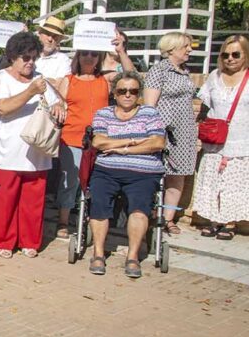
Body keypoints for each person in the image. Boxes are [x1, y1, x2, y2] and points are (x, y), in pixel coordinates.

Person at [0, 32, 66, 258]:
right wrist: (29, 91)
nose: (30, 62)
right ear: (13, 57)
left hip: (37, 153)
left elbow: (57, 101)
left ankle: (30, 241)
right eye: (25, 58)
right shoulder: (0, 78)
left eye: (33, 57)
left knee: (33, 203)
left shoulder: (40, 78)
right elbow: (1, 108)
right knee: (5, 202)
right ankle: (4, 241)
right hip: (7, 153)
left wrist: (59, 105)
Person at [88, 73, 167, 278]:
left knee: (140, 208)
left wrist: (122, 149)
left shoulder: (150, 113)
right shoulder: (103, 114)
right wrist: (136, 141)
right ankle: (98, 253)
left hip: (143, 172)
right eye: (122, 90)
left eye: (133, 91)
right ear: (114, 93)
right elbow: (98, 142)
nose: (128, 95)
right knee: (98, 203)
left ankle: (132, 257)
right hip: (106, 170)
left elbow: (158, 143)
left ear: (138, 93)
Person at [193, 35, 249, 240]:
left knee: (235, 183)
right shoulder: (215, 77)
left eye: (236, 54)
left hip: (242, 139)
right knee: (213, 180)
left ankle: (230, 221)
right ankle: (212, 219)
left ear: (245, 55)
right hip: (216, 140)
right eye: (226, 55)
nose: (230, 59)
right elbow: (205, 105)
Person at [53, 49, 112, 238]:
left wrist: (120, 50)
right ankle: (63, 220)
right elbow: (58, 104)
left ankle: (90, 219)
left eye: (94, 54)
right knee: (70, 181)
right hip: (72, 137)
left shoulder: (106, 80)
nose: (89, 57)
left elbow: (133, 76)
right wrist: (57, 105)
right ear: (78, 56)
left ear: (100, 58)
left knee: (96, 183)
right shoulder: (68, 80)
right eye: (85, 53)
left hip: (101, 140)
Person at [143, 32, 197, 235]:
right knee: (156, 173)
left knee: (178, 175)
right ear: (172, 48)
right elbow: (149, 105)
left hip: (184, 131)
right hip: (163, 130)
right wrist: (154, 131)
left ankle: (168, 218)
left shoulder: (185, 71)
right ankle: (149, 214)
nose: (189, 50)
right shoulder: (159, 71)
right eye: (185, 46)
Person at [34, 16, 72, 83]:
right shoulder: (29, 55)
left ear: (59, 40)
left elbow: (59, 85)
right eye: (47, 34)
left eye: (55, 36)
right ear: (40, 34)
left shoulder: (63, 60)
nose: (50, 39)